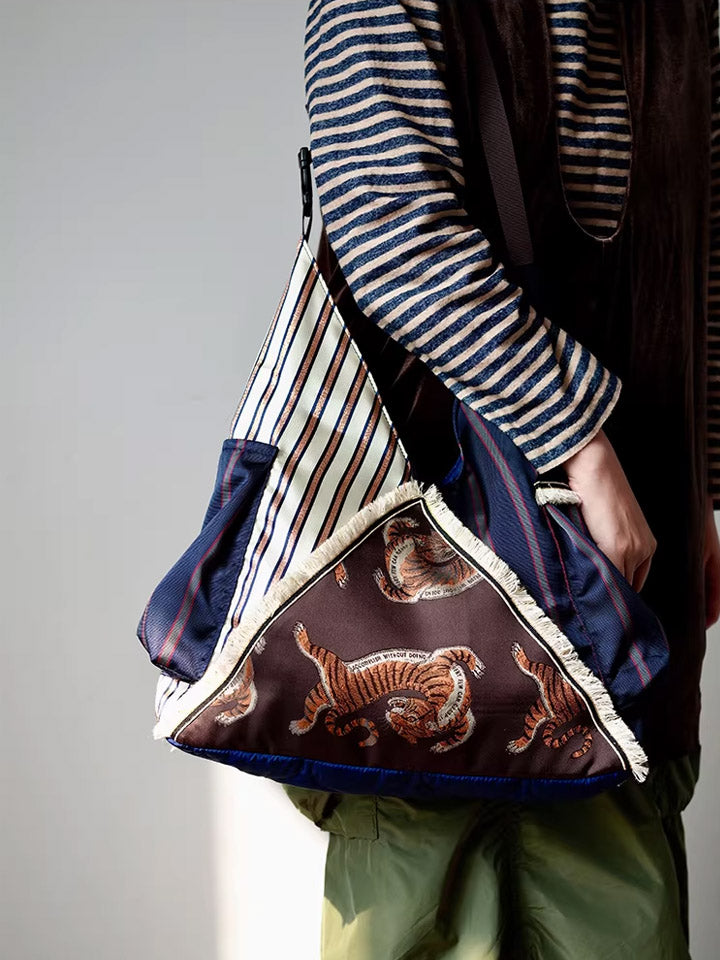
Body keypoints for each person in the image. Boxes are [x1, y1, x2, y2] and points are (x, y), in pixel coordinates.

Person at [283, 1, 720, 956]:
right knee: (420, 885)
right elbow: (391, 233)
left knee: (614, 892)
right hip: (431, 582)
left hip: (628, 583)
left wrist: (702, 495)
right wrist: (584, 448)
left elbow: (698, 254)